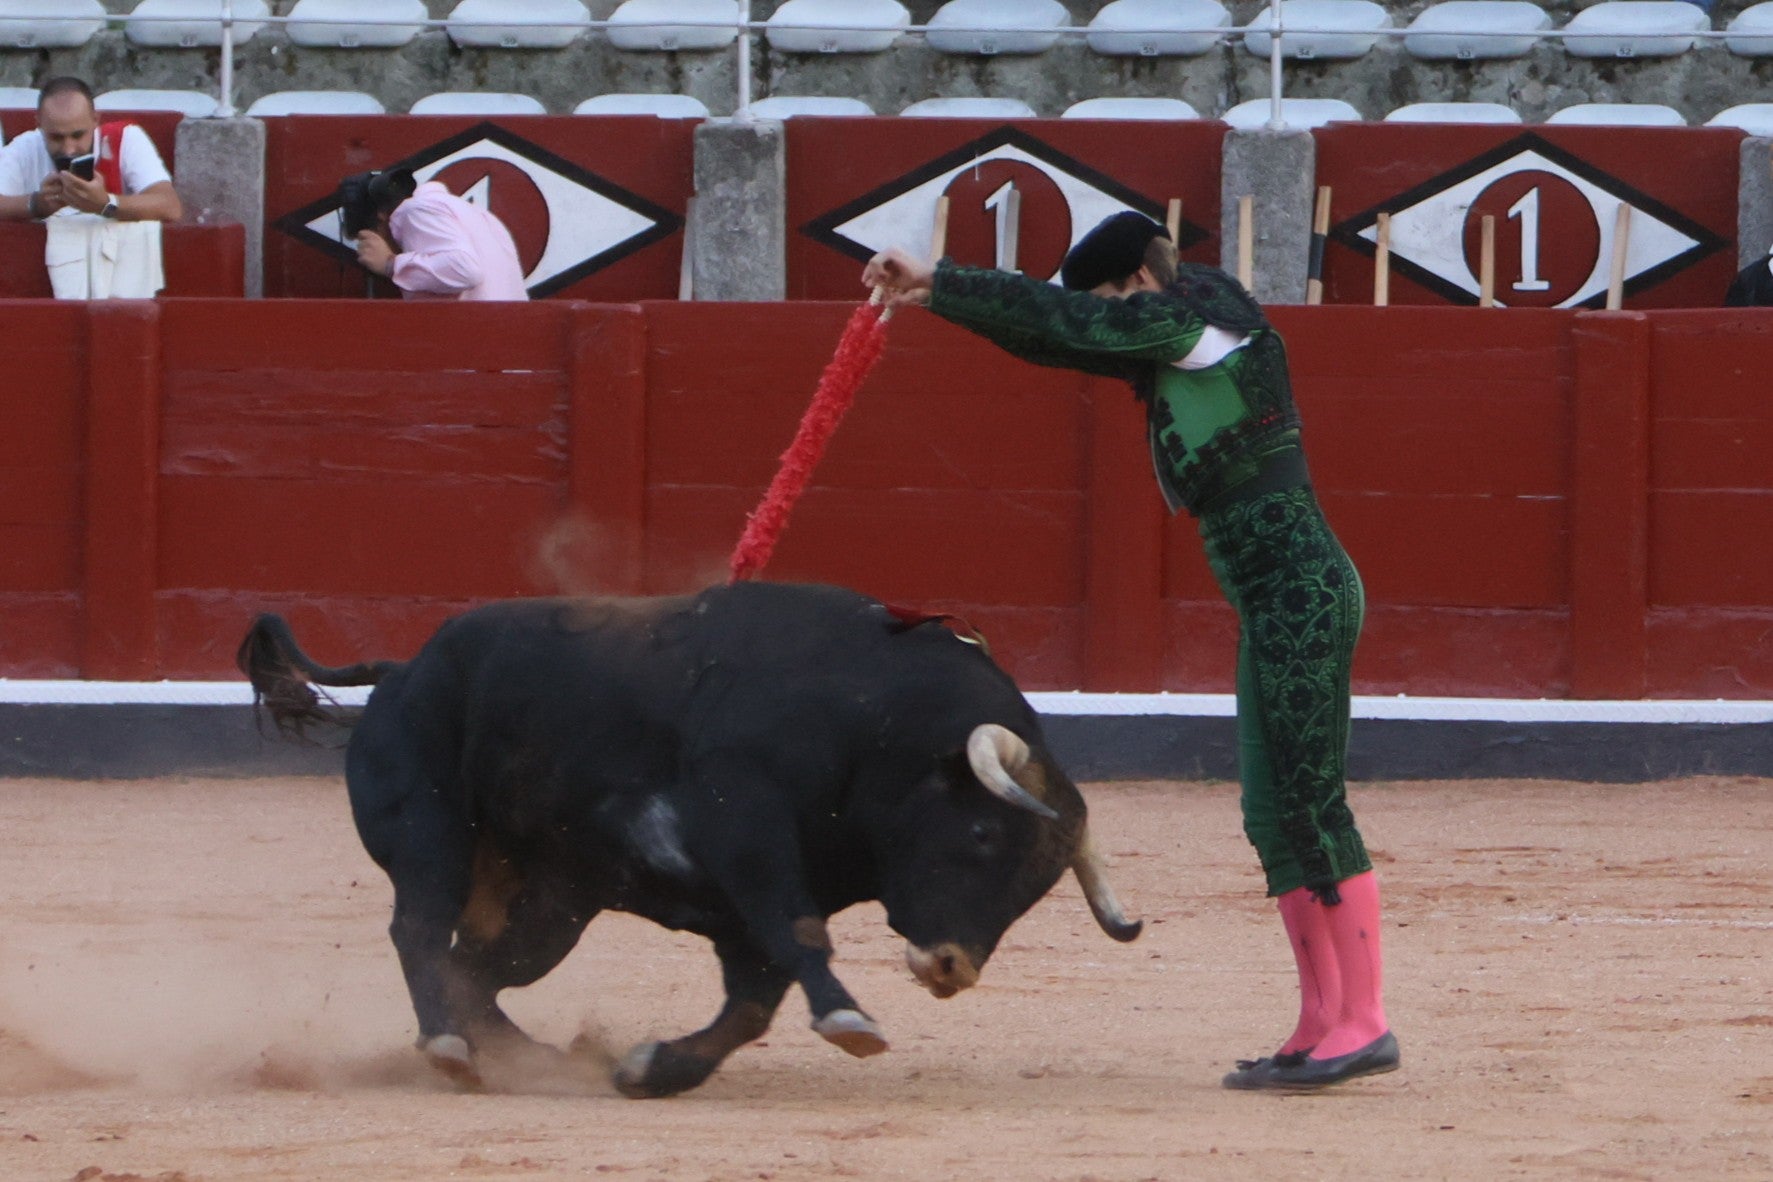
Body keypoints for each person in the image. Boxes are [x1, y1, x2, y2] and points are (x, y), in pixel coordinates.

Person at [862, 212, 1398, 1092]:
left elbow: (1075, 325)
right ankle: (1319, 1022)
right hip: (1275, 603)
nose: (1107, 317)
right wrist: (933, 296)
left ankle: (1366, 1020)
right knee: (1273, 814)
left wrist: (943, 278)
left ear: (1136, 284)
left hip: (1302, 597)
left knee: (1310, 805)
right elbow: (1058, 340)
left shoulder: (1193, 319)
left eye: (1109, 297)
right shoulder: (1181, 334)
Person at [0, 76, 183, 224]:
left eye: (78, 135)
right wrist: (37, 204)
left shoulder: (126, 139)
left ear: (95, 120)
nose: (68, 149)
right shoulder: (25, 146)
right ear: (38, 124)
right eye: (56, 137)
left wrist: (105, 203)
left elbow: (169, 205)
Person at [345, 168, 528, 301]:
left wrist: (391, 264)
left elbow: (466, 270)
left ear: (382, 218)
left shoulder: (413, 210)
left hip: (475, 339)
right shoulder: (475, 213)